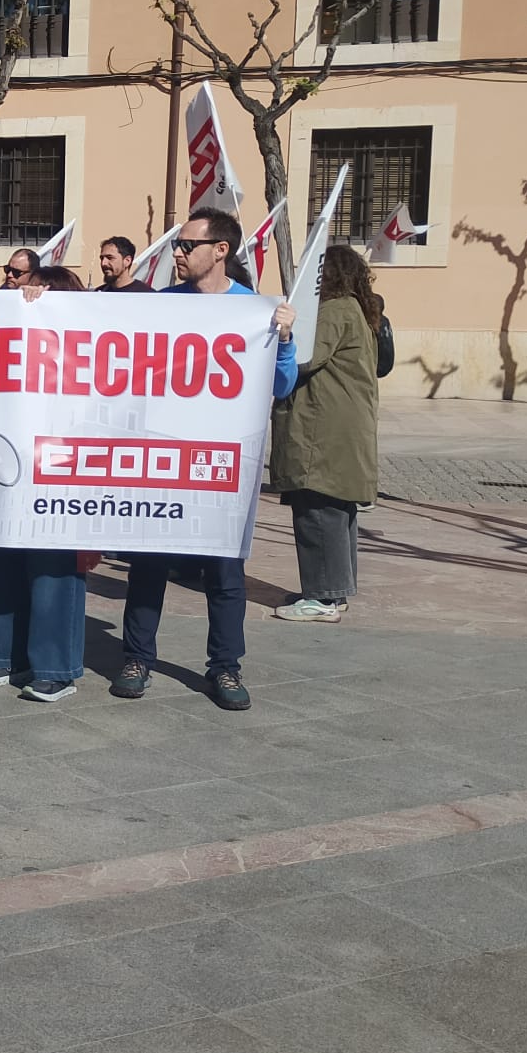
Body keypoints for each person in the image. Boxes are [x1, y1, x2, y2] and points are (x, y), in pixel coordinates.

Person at [116, 208, 298, 710]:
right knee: (148, 564)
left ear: (220, 250)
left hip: (223, 464)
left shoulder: (254, 310)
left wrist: (282, 339)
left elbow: (281, 386)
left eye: (187, 245)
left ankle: (225, 667)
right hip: (162, 456)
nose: (177, 253)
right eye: (177, 244)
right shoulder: (162, 305)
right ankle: (136, 657)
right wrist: (37, 300)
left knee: (224, 572)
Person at [0, 265, 93, 701]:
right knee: (5, 560)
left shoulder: (87, 346)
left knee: (53, 569)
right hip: (16, 466)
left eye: (38, 294)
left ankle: (55, 667)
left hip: (63, 470)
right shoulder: (16, 341)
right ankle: (3, 656)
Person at [270, 245, 380, 622]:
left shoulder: (333, 311)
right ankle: (331, 589)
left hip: (323, 428)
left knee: (318, 506)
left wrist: (283, 335)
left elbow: (304, 358)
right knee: (337, 509)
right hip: (337, 425)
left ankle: (324, 598)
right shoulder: (353, 309)